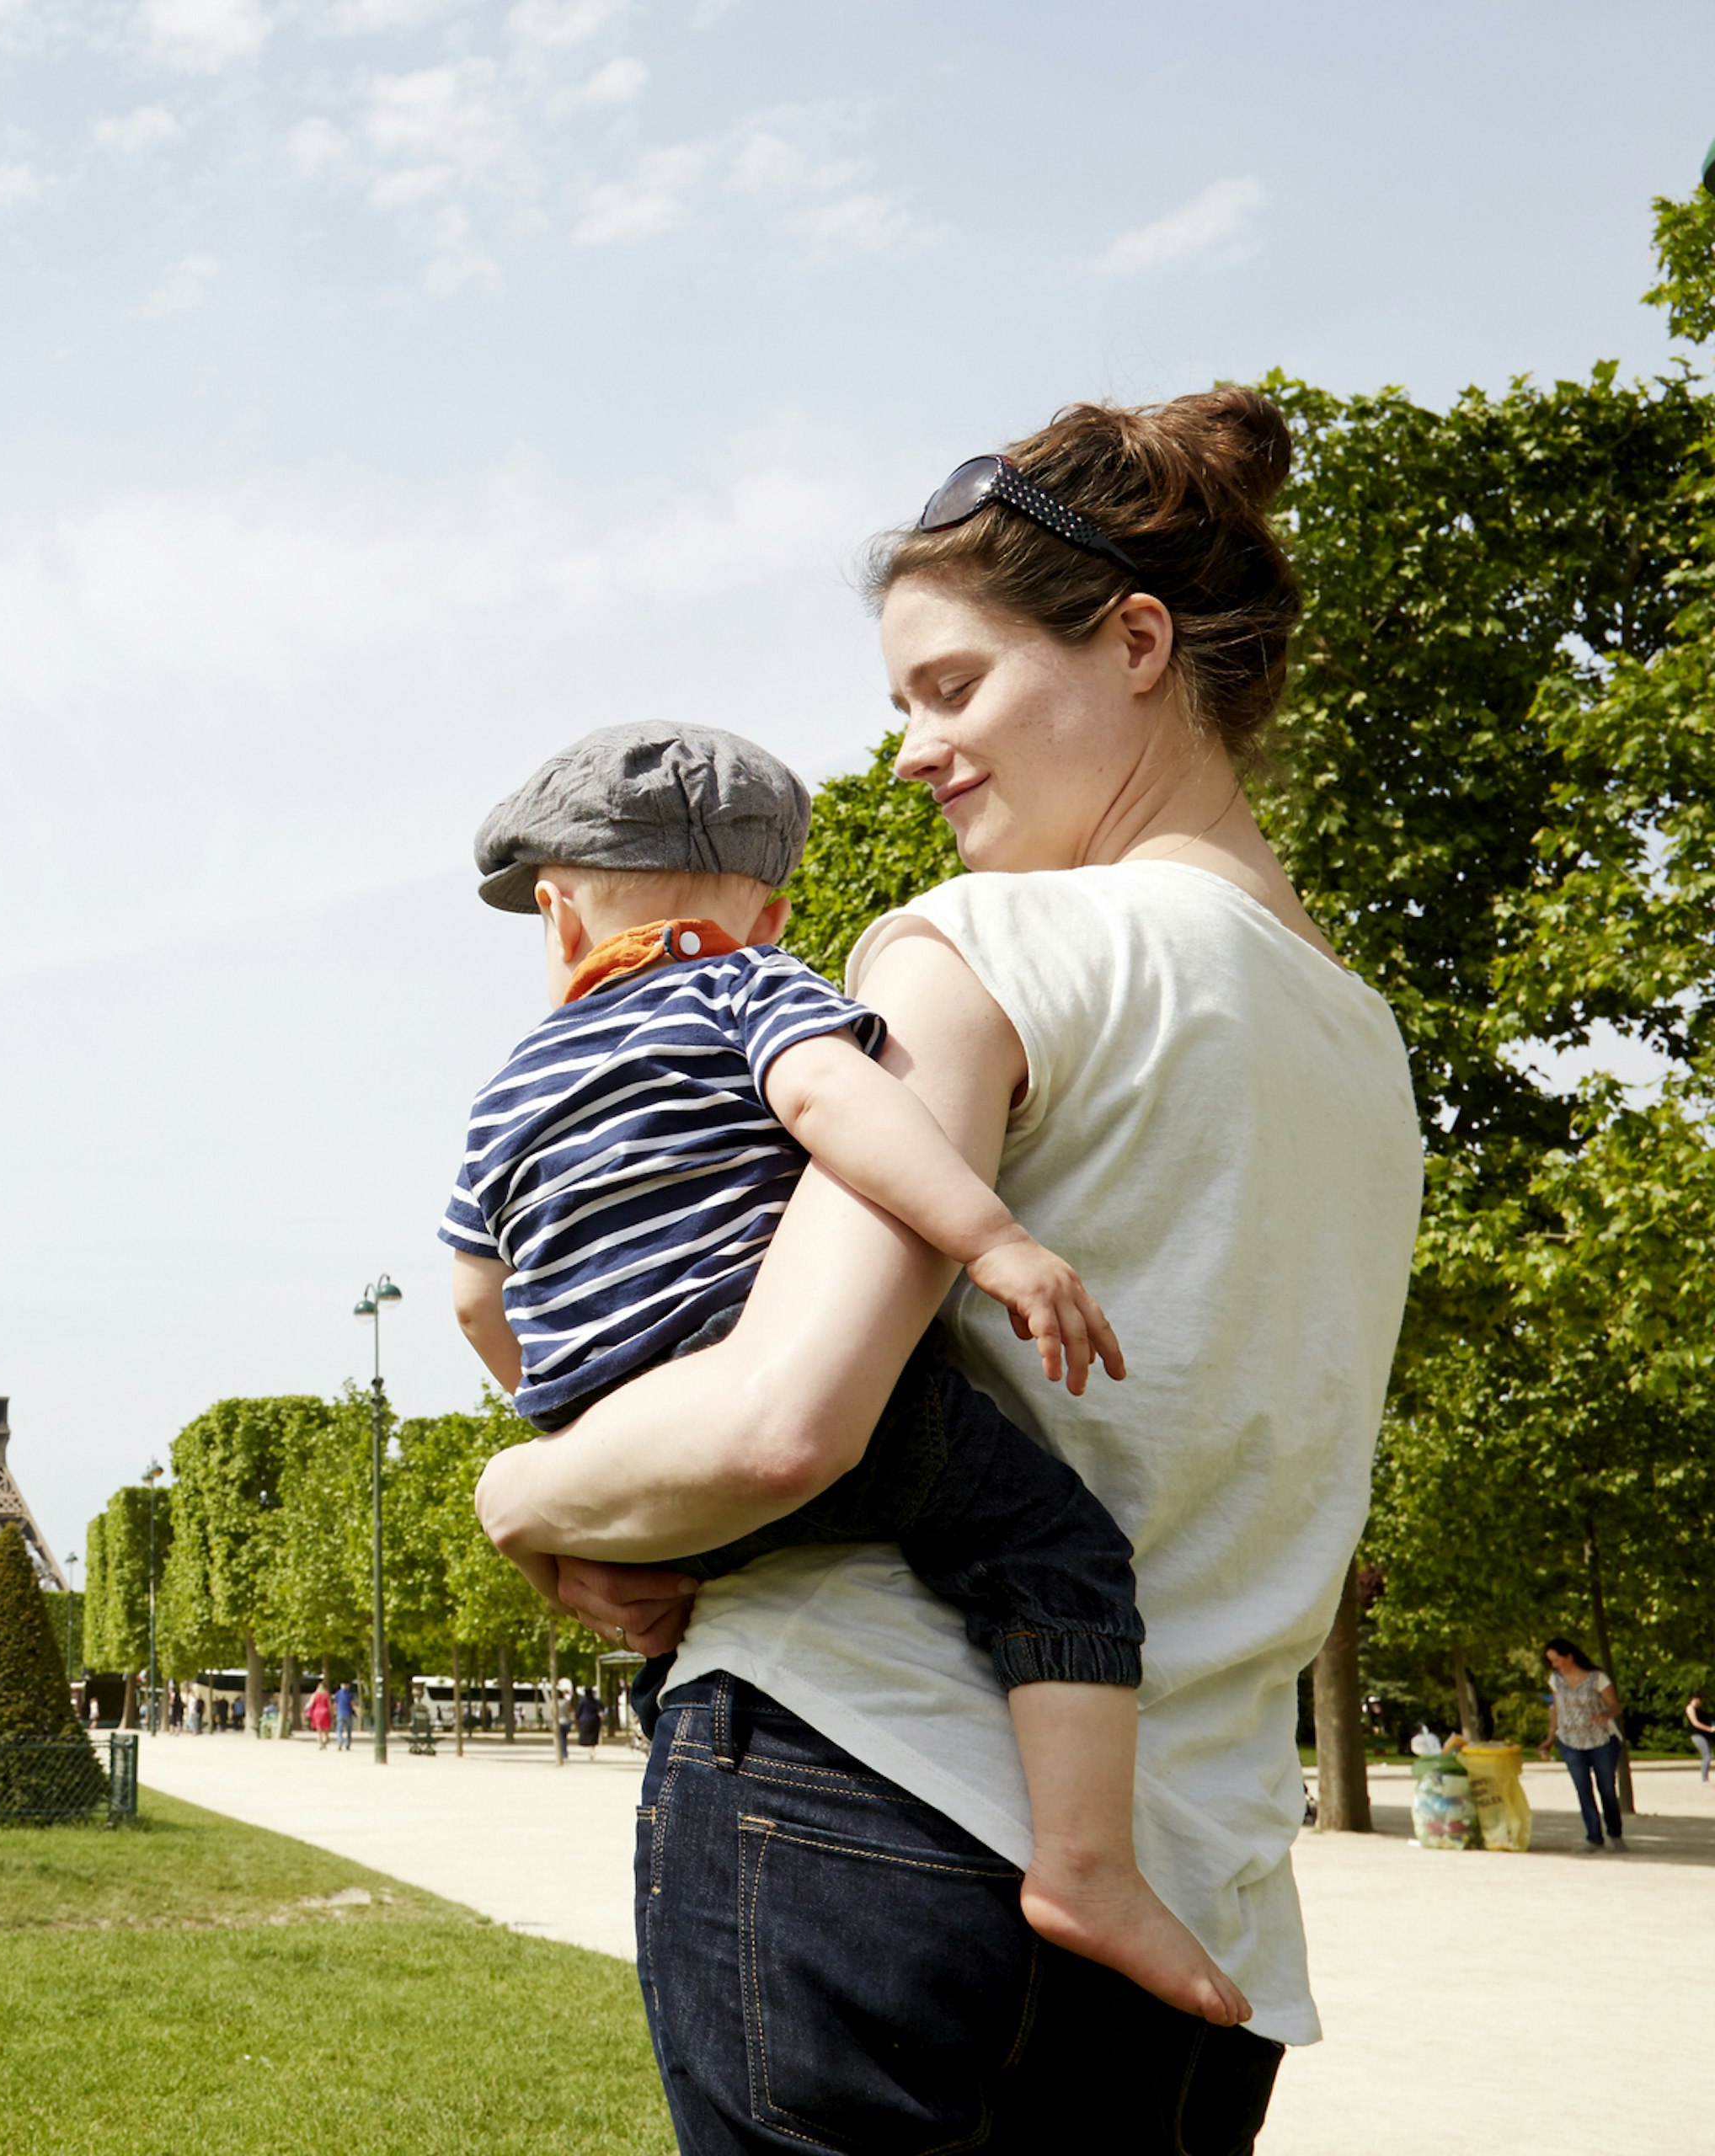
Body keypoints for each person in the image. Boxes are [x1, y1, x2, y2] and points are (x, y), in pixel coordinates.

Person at [475, 389, 1422, 2149]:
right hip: (1192, 1881)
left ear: (1135, 640)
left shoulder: (978, 943)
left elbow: (778, 1424)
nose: (908, 749)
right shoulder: (1370, 1050)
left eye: (951, 686)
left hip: (866, 1785)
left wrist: (516, 1488)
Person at [446, 716, 1233, 2015]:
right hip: (767, 1375)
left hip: (617, 1427)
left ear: (558, 915)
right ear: (773, 912)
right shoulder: (752, 985)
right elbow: (843, 1109)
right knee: (1054, 1550)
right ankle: (1088, 1862)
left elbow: (480, 1300)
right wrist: (994, 1239)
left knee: (671, 1621)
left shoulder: (506, 1088)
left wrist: (574, 1428)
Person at [1543, 1638, 1627, 1850]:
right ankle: (1593, 1837)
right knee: (1583, 1789)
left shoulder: (1597, 1678)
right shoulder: (1556, 1680)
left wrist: (1606, 1713)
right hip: (1570, 1741)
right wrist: (1550, 1737)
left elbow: (1614, 1705)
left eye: (1557, 1660)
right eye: (1551, 1661)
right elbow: (1557, 1710)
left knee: (1606, 1788)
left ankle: (1615, 1834)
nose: (1554, 1665)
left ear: (1569, 1656)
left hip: (1601, 1740)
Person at [1686, 1694, 1713, 1783]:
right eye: (1699, 1700)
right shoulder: (1690, 1708)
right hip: (1697, 1735)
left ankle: (1706, 1776)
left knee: (1708, 1755)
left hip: (1705, 1735)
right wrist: (1709, 1729)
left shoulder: (1700, 1710)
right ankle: (1704, 1777)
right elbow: (1695, 1723)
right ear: (1694, 1699)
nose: (1700, 1702)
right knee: (1707, 1756)